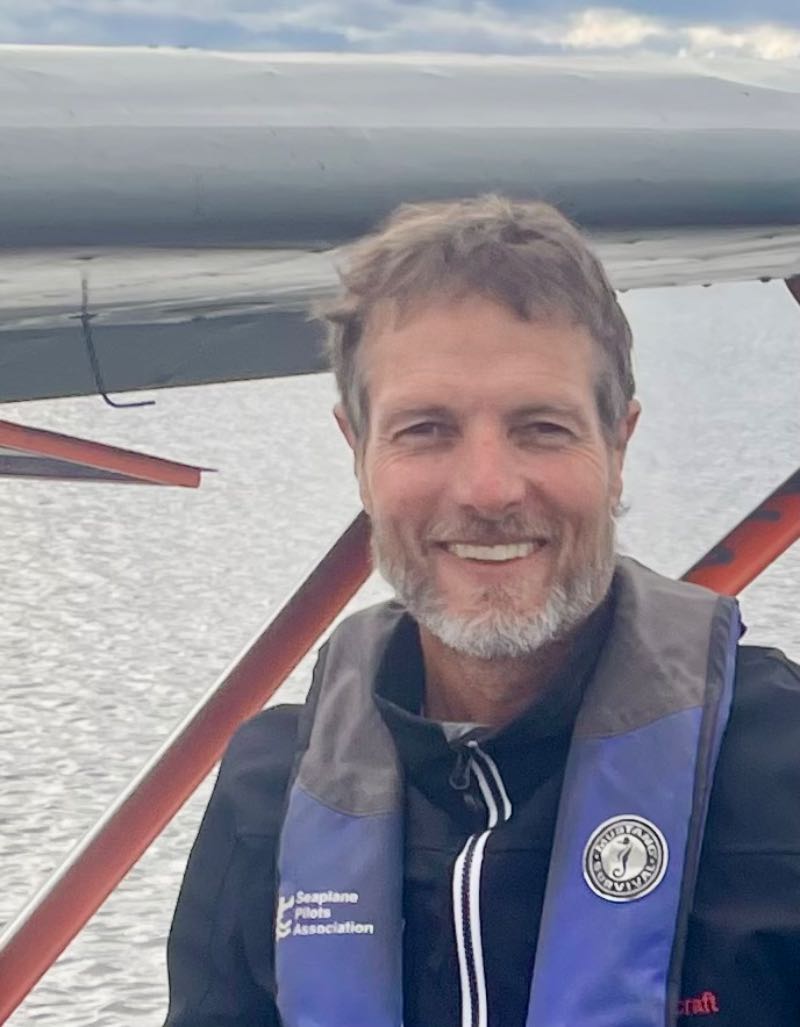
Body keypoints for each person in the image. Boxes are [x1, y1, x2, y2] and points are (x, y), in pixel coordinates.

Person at [164, 196, 800, 1027]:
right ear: (358, 451)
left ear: (618, 446)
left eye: (542, 427)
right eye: (426, 429)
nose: (488, 489)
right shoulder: (268, 799)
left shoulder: (781, 772)